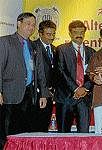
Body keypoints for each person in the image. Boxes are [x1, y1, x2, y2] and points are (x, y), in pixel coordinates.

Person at [0, 12, 49, 148]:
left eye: (33, 25)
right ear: (18, 24)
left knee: (24, 132)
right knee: (7, 133)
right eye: (28, 24)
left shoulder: (35, 46)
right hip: (9, 95)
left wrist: (44, 94)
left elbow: (40, 72)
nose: (31, 27)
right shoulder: (4, 41)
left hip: (29, 95)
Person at [56, 20, 95, 133]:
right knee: (63, 136)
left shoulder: (91, 52)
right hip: (65, 98)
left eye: (81, 32)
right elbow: (61, 72)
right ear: (70, 33)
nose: (79, 35)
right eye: (75, 32)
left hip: (84, 98)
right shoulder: (61, 50)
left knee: (84, 136)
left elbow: (93, 74)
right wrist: (76, 89)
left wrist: (84, 88)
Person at [31, 20, 58, 132]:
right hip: (37, 95)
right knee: (35, 128)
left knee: (44, 128)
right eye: (48, 34)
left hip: (50, 94)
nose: (51, 37)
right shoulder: (32, 47)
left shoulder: (55, 49)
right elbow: (36, 72)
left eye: (53, 34)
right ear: (40, 33)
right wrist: (43, 91)